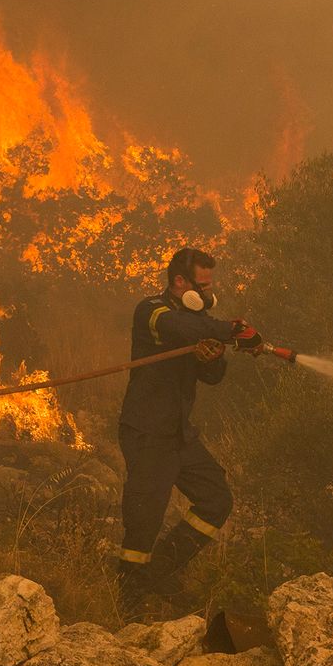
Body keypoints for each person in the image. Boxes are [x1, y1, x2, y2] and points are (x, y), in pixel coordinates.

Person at [115, 246, 254, 606]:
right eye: (202, 286)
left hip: (178, 433)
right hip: (147, 431)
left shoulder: (199, 323)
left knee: (216, 500)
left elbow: (213, 376)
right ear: (180, 282)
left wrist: (213, 356)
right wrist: (232, 330)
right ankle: (128, 596)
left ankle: (159, 571)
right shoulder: (152, 310)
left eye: (210, 286)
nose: (208, 293)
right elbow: (180, 327)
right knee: (145, 515)